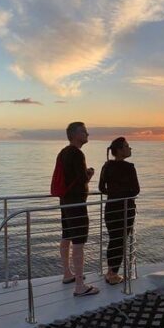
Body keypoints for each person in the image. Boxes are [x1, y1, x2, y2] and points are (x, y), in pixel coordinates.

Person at [58, 122, 99, 296]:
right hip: (76, 203)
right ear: (75, 135)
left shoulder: (63, 152)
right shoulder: (77, 153)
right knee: (79, 242)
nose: (87, 134)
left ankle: (67, 274)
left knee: (67, 236)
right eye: (84, 131)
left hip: (65, 201)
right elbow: (82, 178)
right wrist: (89, 173)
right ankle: (80, 286)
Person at [98, 137, 140, 285]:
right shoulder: (129, 167)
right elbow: (135, 190)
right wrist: (124, 193)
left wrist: (114, 193)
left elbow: (102, 188)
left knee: (113, 240)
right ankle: (113, 274)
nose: (130, 149)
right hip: (125, 209)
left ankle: (110, 271)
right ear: (120, 151)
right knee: (120, 241)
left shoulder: (106, 166)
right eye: (127, 146)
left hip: (111, 208)